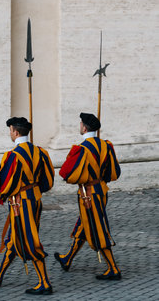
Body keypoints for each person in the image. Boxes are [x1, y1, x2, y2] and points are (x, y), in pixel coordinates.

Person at [0, 117, 55, 295]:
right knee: (16, 238)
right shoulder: (41, 152)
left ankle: (45, 283)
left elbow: (5, 182)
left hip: (20, 203)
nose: (10, 133)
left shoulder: (12, 155)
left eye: (10, 130)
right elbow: (48, 181)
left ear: (15, 132)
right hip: (35, 199)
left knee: (30, 240)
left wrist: (1, 195)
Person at [54, 112, 121, 280]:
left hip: (88, 194)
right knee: (85, 224)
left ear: (84, 127)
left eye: (80, 124)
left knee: (97, 228)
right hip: (102, 190)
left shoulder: (82, 149)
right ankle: (68, 259)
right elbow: (114, 172)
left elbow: (67, 173)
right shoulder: (106, 145)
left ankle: (113, 268)